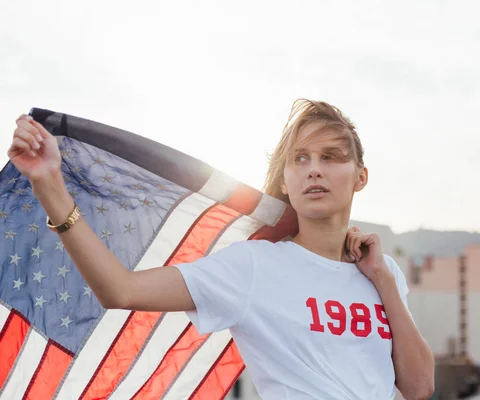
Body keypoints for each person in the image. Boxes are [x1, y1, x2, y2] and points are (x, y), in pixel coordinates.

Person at [8, 99, 435, 400]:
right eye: (300, 159)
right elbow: (121, 290)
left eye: (331, 156)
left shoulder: (384, 274)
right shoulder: (254, 267)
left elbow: (418, 388)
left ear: (360, 176)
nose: (315, 170)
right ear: (285, 181)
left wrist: (381, 280)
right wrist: (50, 186)